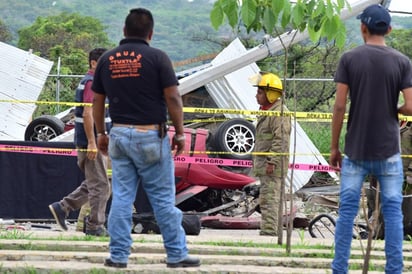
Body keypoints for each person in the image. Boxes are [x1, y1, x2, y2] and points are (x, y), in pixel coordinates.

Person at [91, 8, 200, 269]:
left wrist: (100, 134)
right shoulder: (158, 58)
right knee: (162, 200)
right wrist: (181, 133)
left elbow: (97, 100)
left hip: (118, 134)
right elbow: (173, 98)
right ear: (150, 33)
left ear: (124, 31)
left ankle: (118, 256)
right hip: (150, 135)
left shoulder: (107, 59)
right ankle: (176, 254)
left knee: (121, 198)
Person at [330, 4, 412, 274]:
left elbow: (340, 106)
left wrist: (334, 147)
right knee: (393, 214)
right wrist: (395, 109)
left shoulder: (350, 59)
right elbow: (411, 106)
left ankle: (340, 270)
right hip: (389, 151)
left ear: (362, 28)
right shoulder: (402, 61)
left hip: (355, 150)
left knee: (347, 213)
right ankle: (394, 271)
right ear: (388, 29)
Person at [49, 47, 111, 237]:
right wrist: (92, 142)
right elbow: (88, 112)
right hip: (91, 143)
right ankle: (94, 226)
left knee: (96, 182)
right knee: (101, 185)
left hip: (96, 142)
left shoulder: (95, 82)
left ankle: (63, 207)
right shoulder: (92, 82)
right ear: (94, 63)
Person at [249, 72, 291, 236]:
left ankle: (269, 233)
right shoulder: (268, 111)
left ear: (270, 94)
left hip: (272, 166)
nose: (256, 96)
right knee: (268, 198)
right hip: (266, 164)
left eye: (260, 92)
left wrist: (272, 162)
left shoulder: (279, 113)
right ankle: (272, 231)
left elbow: (281, 140)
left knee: (269, 200)